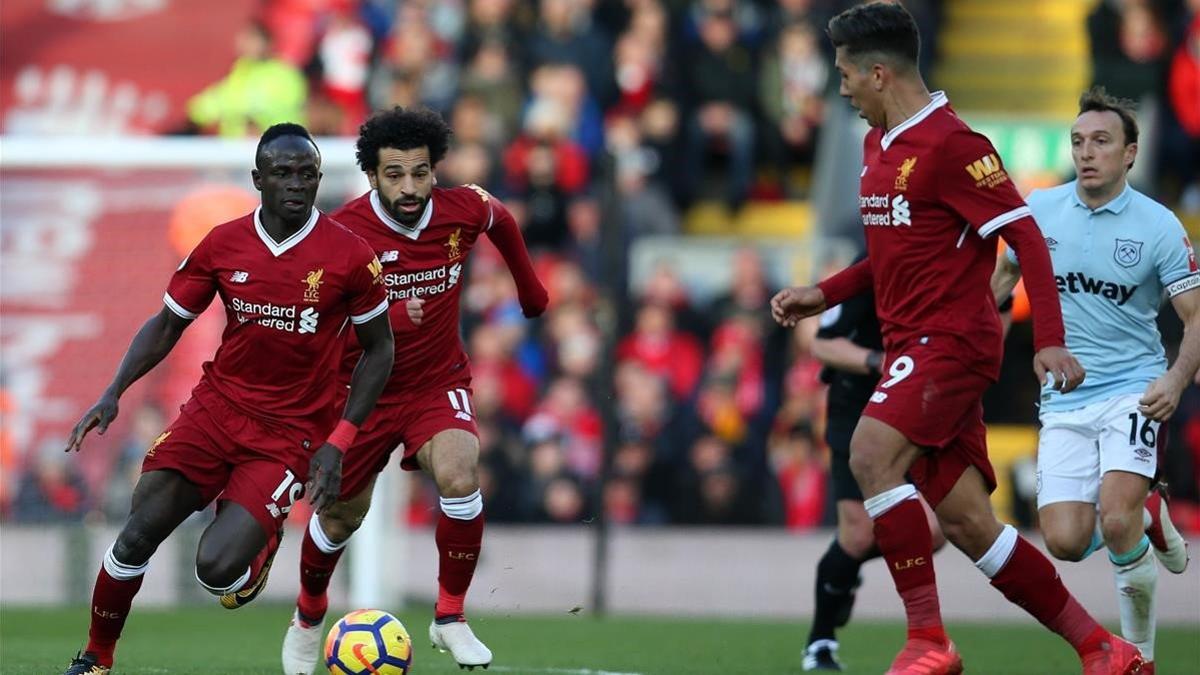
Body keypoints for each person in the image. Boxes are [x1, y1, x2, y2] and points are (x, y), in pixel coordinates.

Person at [770, 4, 1142, 674]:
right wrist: (822, 293)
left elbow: (1024, 235)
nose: (843, 89)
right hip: (915, 341)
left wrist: (1048, 340)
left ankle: (928, 640)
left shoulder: (954, 146)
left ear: (880, 74)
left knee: (871, 453)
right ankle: (1102, 647)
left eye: (847, 75)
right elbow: (890, 257)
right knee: (972, 525)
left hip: (952, 341)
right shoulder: (875, 146)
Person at [62, 124, 394, 675]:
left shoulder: (349, 256)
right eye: (283, 174)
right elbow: (169, 323)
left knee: (215, 572)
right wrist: (113, 391)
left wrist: (340, 440)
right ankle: (96, 658)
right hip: (215, 411)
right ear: (258, 179)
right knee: (139, 527)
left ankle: (257, 548)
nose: (296, 184)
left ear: (318, 180)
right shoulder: (223, 243)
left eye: (306, 175)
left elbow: (380, 352)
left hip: (289, 432)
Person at [281, 106, 548, 673]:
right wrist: (391, 319)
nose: (410, 187)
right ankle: (307, 618)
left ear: (435, 170)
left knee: (460, 470)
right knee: (339, 520)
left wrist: (530, 291)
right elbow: (317, 323)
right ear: (372, 175)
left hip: (435, 381)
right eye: (395, 174)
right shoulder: (342, 234)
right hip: (361, 393)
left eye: (421, 173)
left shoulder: (463, 210)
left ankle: (449, 616)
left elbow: (500, 219)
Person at [991, 87, 1198, 674]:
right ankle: (1150, 513)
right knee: (1064, 541)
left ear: (1130, 154)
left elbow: (1196, 313)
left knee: (1114, 515)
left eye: (1102, 141)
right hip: (1063, 399)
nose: (1087, 152)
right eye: (1079, 141)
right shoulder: (1041, 209)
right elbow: (1003, 280)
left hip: (1132, 388)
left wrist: (1177, 379)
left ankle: (1142, 658)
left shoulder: (1158, 226)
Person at [802, 251, 958, 671]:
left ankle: (844, 571)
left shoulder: (961, 260)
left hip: (919, 405)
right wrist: (877, 361)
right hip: (857, 407)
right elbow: (822, 341)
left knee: (932, 532)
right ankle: (819, 641)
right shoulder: (878, 259)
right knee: (857, 533)